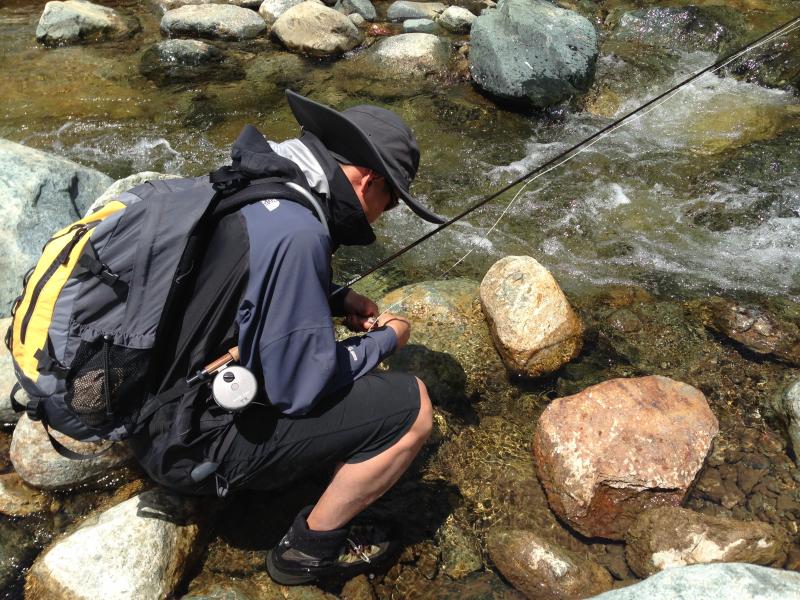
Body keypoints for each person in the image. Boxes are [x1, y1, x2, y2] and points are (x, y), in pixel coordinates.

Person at [128, 90, 445, 585]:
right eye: (392, 201)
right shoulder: (299, 233)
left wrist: (333, 298)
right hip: (184, 442)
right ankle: (306, 553)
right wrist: (389, 340)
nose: (388, 215)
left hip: (139, 403)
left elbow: (236, 284)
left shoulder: (252, 180)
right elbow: (302, 387)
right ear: (369, 182)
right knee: (412, 407)